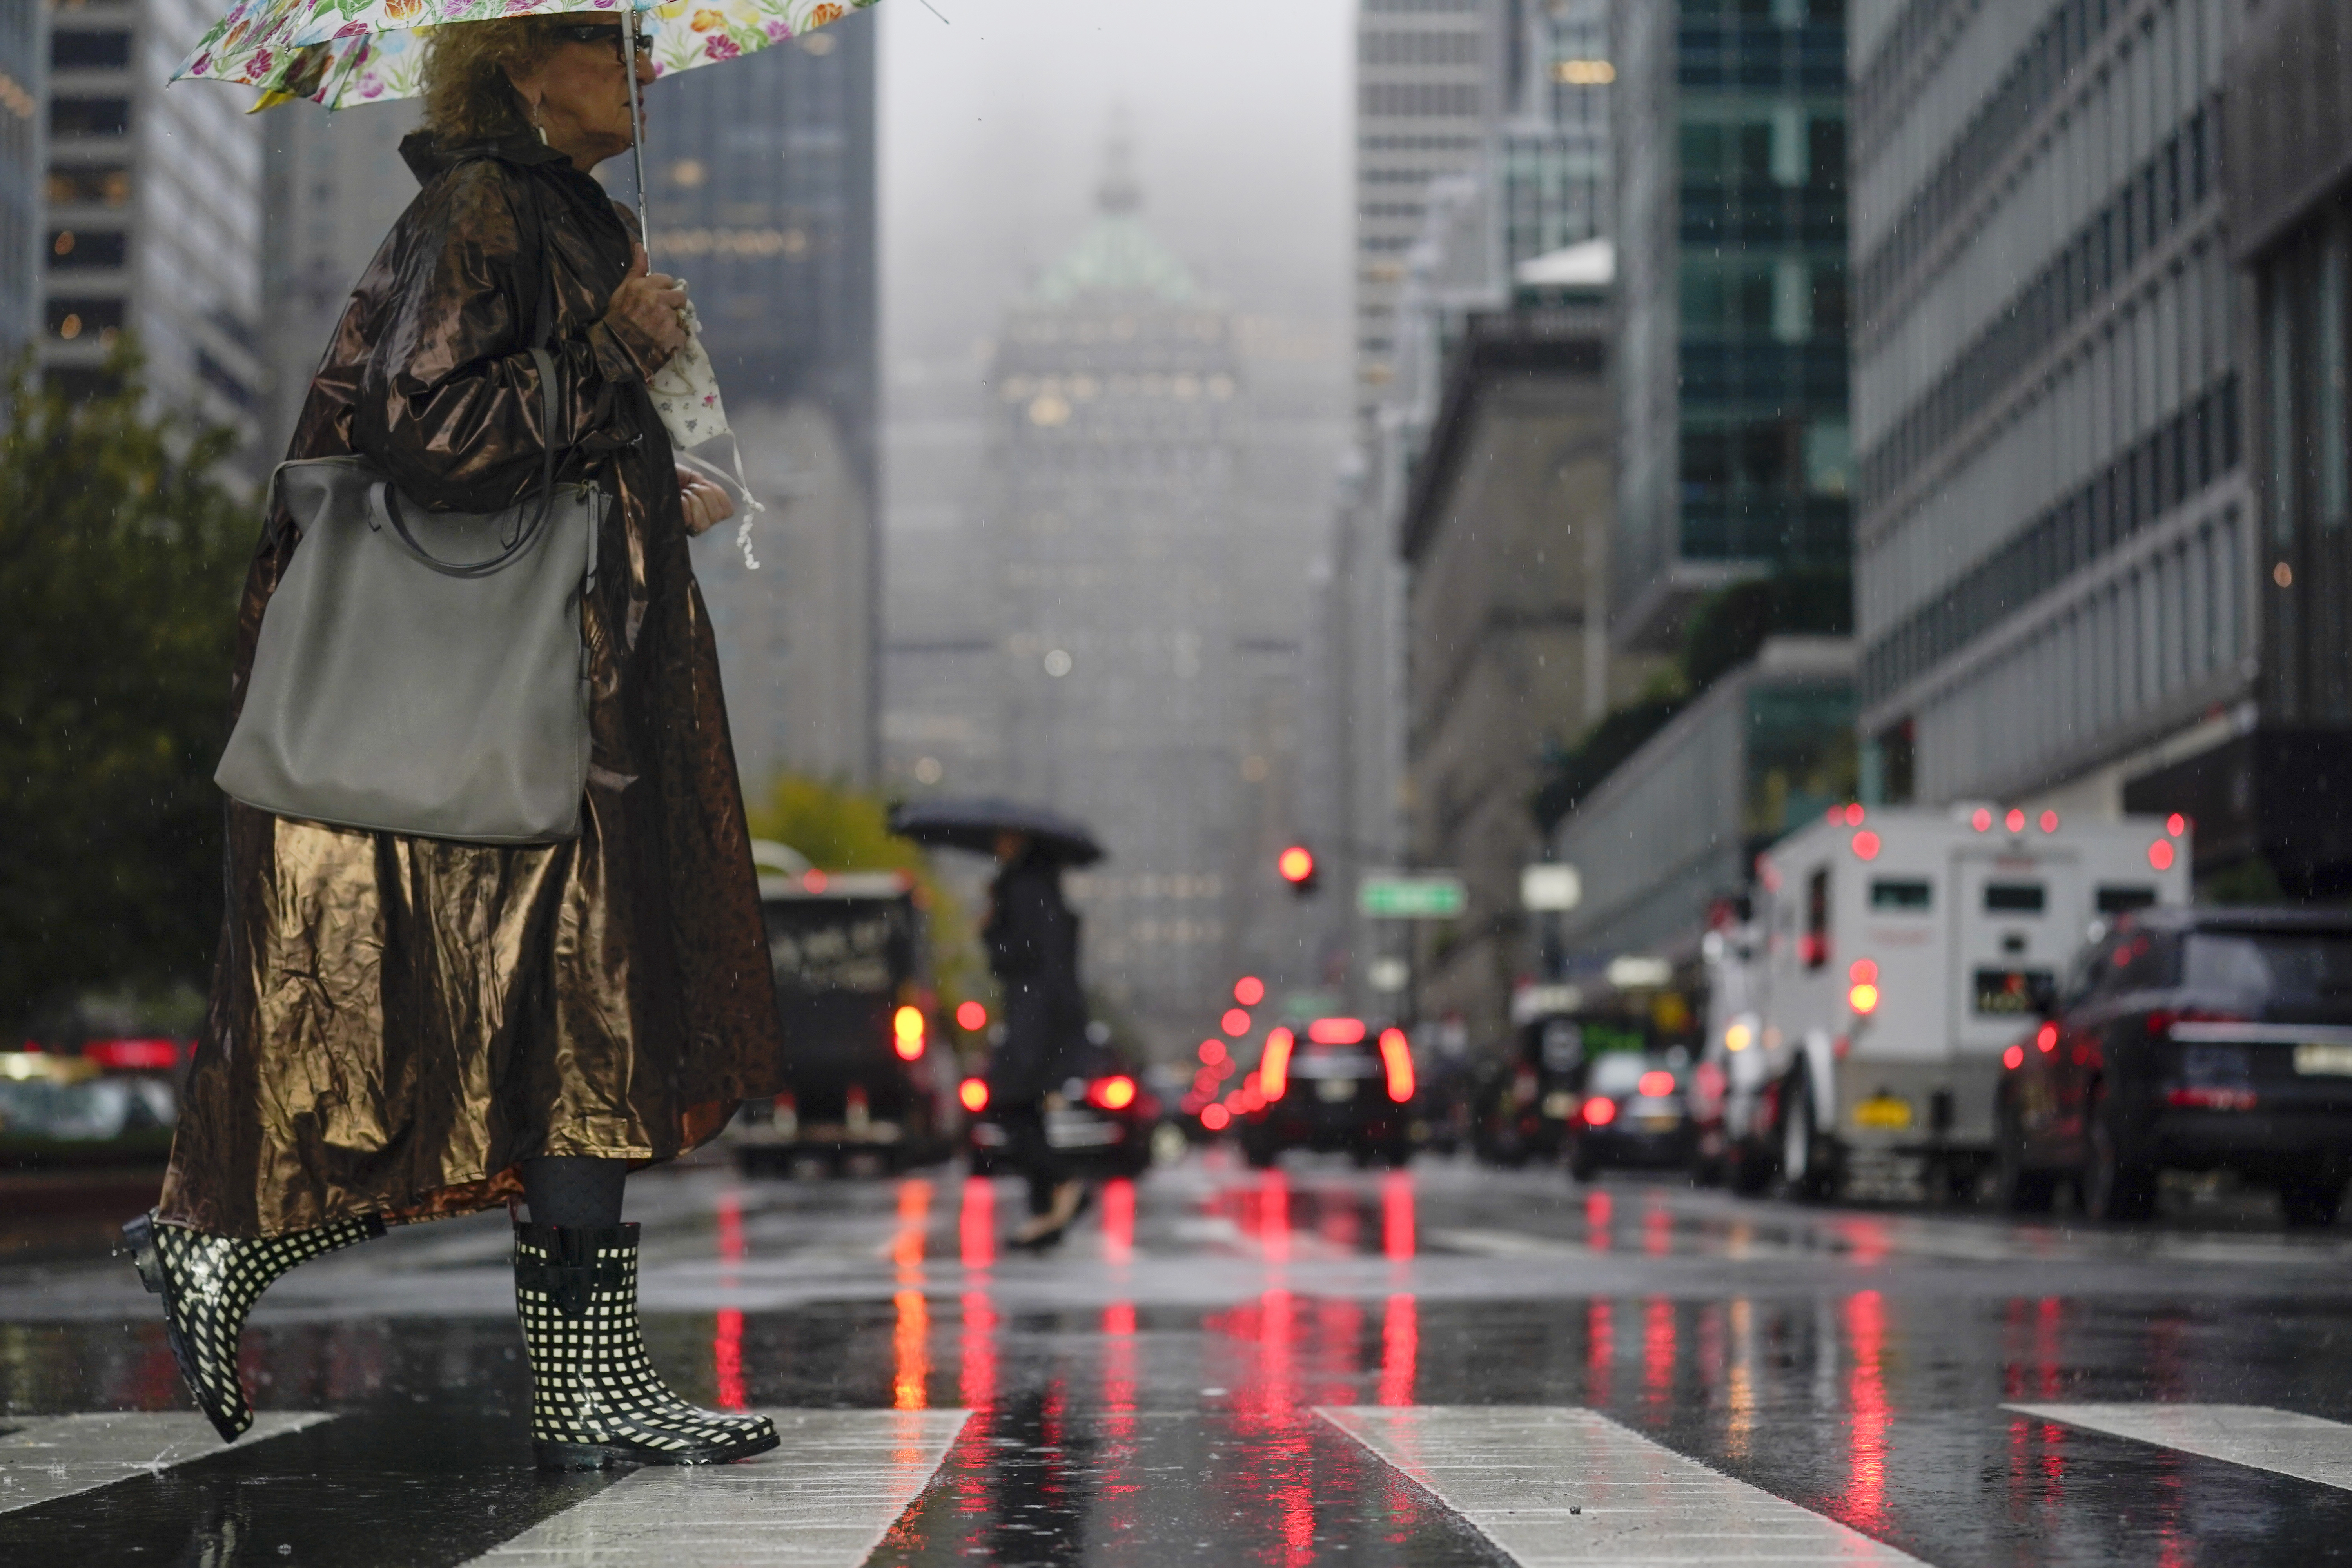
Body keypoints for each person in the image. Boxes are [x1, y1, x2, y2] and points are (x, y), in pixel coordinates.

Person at [120, 13, 785, 1470]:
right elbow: (423, 422)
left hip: (582, 685)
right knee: (557, 1035)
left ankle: (589, 1383)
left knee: (588, 1044)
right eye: (606, 49)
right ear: (519, 70)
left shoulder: (574, 218)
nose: (639, 73)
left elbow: (533, 427)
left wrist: (644, 476)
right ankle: (220, 1240)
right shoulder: (481, 207)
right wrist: (609, 354)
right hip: (526, 695)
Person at [982, 832, 1094, 1249]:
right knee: (1026, 1110)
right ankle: (1046, 1215)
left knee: (1012, 1106)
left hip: (1036, 1015)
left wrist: (992, 924)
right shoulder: (1043, 887)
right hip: (1049, 1013)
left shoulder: (1022, 887)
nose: (998, 845)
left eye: (1005, 839)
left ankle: (1064, 1186)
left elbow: (1015, 957)